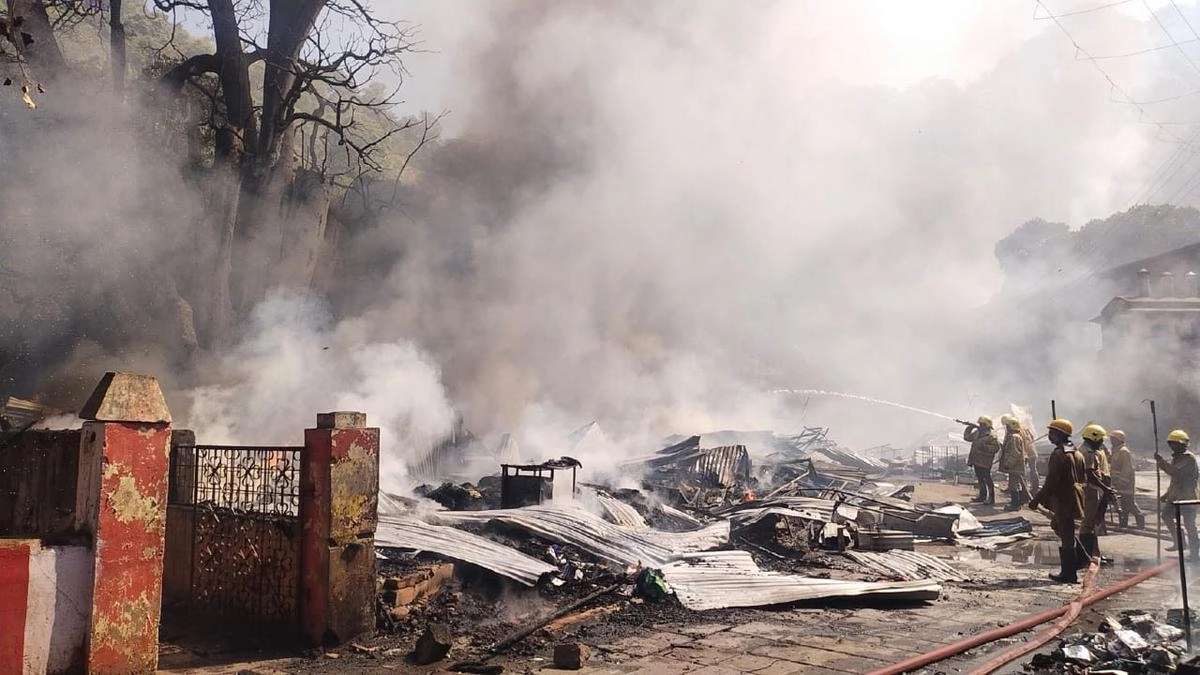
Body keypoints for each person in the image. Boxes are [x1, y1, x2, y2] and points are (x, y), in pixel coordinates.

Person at [1029, 419, 1086, 583]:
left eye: (1052, 432)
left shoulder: (1059, 455)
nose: (1049, 436)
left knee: (1066, 533)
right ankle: (1079, 560)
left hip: (1063, 499)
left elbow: (1051, 482)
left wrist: (1037, 500)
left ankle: (1069, 573)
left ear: (1060, 435)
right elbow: (1081, 477)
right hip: (1075, 496)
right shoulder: (1077, 453)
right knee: (1059, 526)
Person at [1156, 429, 1200, 560]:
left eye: (1175, 444)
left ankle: (1194, 553)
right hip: (1175, 496)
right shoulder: (1176, 458)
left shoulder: (1188, 458)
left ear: (1182, 444)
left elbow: (1175, 472)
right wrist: (1166, 494)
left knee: (1189, 525)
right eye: (1171, 444)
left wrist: (1161, 462)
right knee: (1165, 515)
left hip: (1187, 498)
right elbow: (1175, 481)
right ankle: (1179, 542)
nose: (1172, 447)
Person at [1077, 424, 1113, 563]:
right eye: (1100, 439)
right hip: (1089, 490)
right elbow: (1090, 474)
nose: (1102, 442)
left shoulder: (1089, 450)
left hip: (1093, 490)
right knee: (1088, 524)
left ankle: (1094, 554)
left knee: (1093, 524)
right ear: (1093, 438)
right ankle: (1086, 556)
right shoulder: (1087, 453)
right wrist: (1105, 488)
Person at [1109, 430, 1145, 529]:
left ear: (1119, 440)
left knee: (1130, 503)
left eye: (1113, 439)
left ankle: (1141, 523)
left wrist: (1121, 482)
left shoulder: (1124, 452)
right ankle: (1123, 524)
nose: (1111, 440)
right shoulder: (1115, 451)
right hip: (1117, 483)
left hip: (1126, 484)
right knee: (1122, 505)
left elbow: (1127, 469)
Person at [964, 416, 1001, 505]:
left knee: (987, 478)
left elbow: (996, 448)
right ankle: (982, 496)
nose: (980, 426)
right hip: (976, 460)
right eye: (980, 424)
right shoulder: (977, 433)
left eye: (982, 424)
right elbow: (967, 438)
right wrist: (969, 428)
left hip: (985, 461)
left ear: (987, 425)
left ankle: (991, 498)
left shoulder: (992, 435)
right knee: (980, 478)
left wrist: (985, 447)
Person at [999, 415, 1030, 511]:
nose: (1006, 428)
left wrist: (1008, 464)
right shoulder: (1014, 437)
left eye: (1008, 426)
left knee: (1014, 485)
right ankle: (1016, 503)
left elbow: (1015, 452)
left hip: (1015, 466)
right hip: (1015, 466)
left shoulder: (1014, 437)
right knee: (1014, 484)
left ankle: (1015, 505)